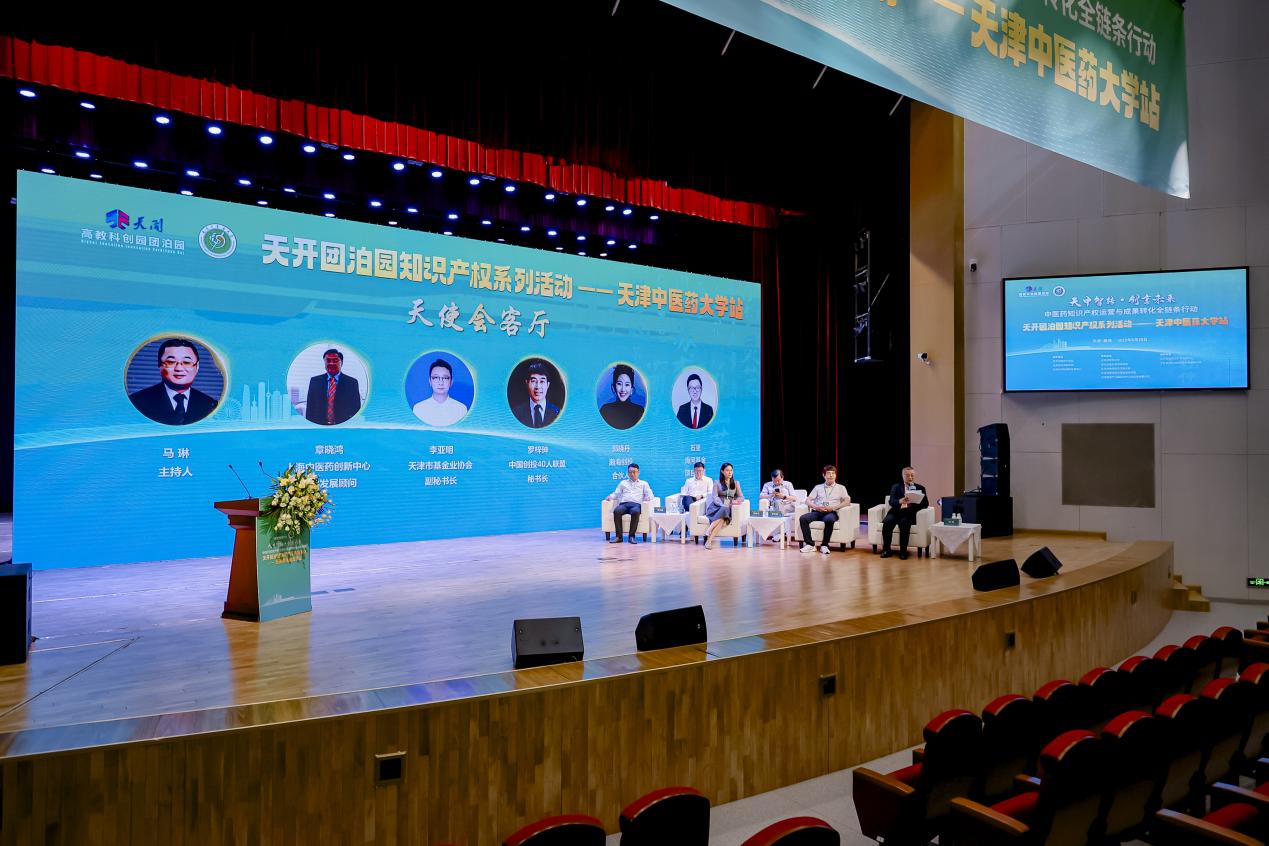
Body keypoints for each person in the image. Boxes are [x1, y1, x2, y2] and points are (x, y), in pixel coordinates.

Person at [129, 337, 219, 425]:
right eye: (171, 362)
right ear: (160, 365)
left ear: (197, 366)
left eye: (187, 362)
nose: (179, 368)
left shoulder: (209, 405)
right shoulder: (137, 402)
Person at [798, 465, 850, 555]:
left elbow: (847, 501)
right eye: (829, 473)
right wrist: (816, 507)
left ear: (835, 475)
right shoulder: (818, 487)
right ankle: (810, 545)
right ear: (824, 475)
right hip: (818, 511)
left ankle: (824, 545)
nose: (831, 475)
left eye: (833, 473)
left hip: (832, 512)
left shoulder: (841, 488)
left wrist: (833, 508)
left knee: (829, 520)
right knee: (803, 518)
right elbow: (807, 500)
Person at [880, 466, 929, 560]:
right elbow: (891, 501)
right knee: (887, 522)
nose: (910, 477)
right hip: (895, 512)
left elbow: (926, 504)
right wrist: (900, 501)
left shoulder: (920, 488)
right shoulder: (896, 487)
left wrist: (915, 501)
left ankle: (903, 551)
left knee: (904, 523)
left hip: (909, 513)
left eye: (912, 475)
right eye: (907, 475)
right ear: (903, 476)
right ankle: (886, 550)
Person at [305, 348, 362, 425]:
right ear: (324, 363)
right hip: (320, 426)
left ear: (341, 363)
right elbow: (310, 409)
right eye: (328, 360)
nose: (331, 363)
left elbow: (356, 410)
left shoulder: (352, 383)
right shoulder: (315, 381)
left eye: (335, 360)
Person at [606, 463, 653, 544]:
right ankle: (619, 537)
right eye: (630, 472)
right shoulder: (623, 483)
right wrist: (610, 497)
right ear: (628, 473)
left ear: (638, 472)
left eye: (634, 472)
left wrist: (648, 498)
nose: (632, 474)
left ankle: (631, 537)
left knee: (635, 512)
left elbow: (651, 495)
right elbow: (616, 493)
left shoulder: (644, 483)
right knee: (617, 511)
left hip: (636, 504)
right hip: (624, 504)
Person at [412, 358, 468, 426]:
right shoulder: (418, 409)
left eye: (445, 378)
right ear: (430, 381)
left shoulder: (461, 409)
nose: (441, 382)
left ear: (451, 382)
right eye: (435, 377)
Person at [702, 462, 744, 549]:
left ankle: (709, 536)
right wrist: (722, 504)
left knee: (724, 515)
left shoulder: (736, 483)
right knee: (723, 515)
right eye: (727, 470)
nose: (730, 472)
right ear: (722, 471)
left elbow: (741, 497)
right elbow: (715, 497)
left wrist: (735, 501)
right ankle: (708, 541)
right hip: (716, 507)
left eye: (731, 470)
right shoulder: (717, 483)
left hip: (729, 507)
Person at [511, 359, 561, 428]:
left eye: (542, 381)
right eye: (533, 381)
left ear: (548, 385)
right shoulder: (516, 413)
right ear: (527, 383)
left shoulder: (557, 413)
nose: (538, 387)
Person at [599, 364, 646, 430]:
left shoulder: (639, 411)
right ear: (613, 387)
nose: (623, 389)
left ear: (632, 389)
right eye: (619, 384)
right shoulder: (605, 410)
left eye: (627, 384)